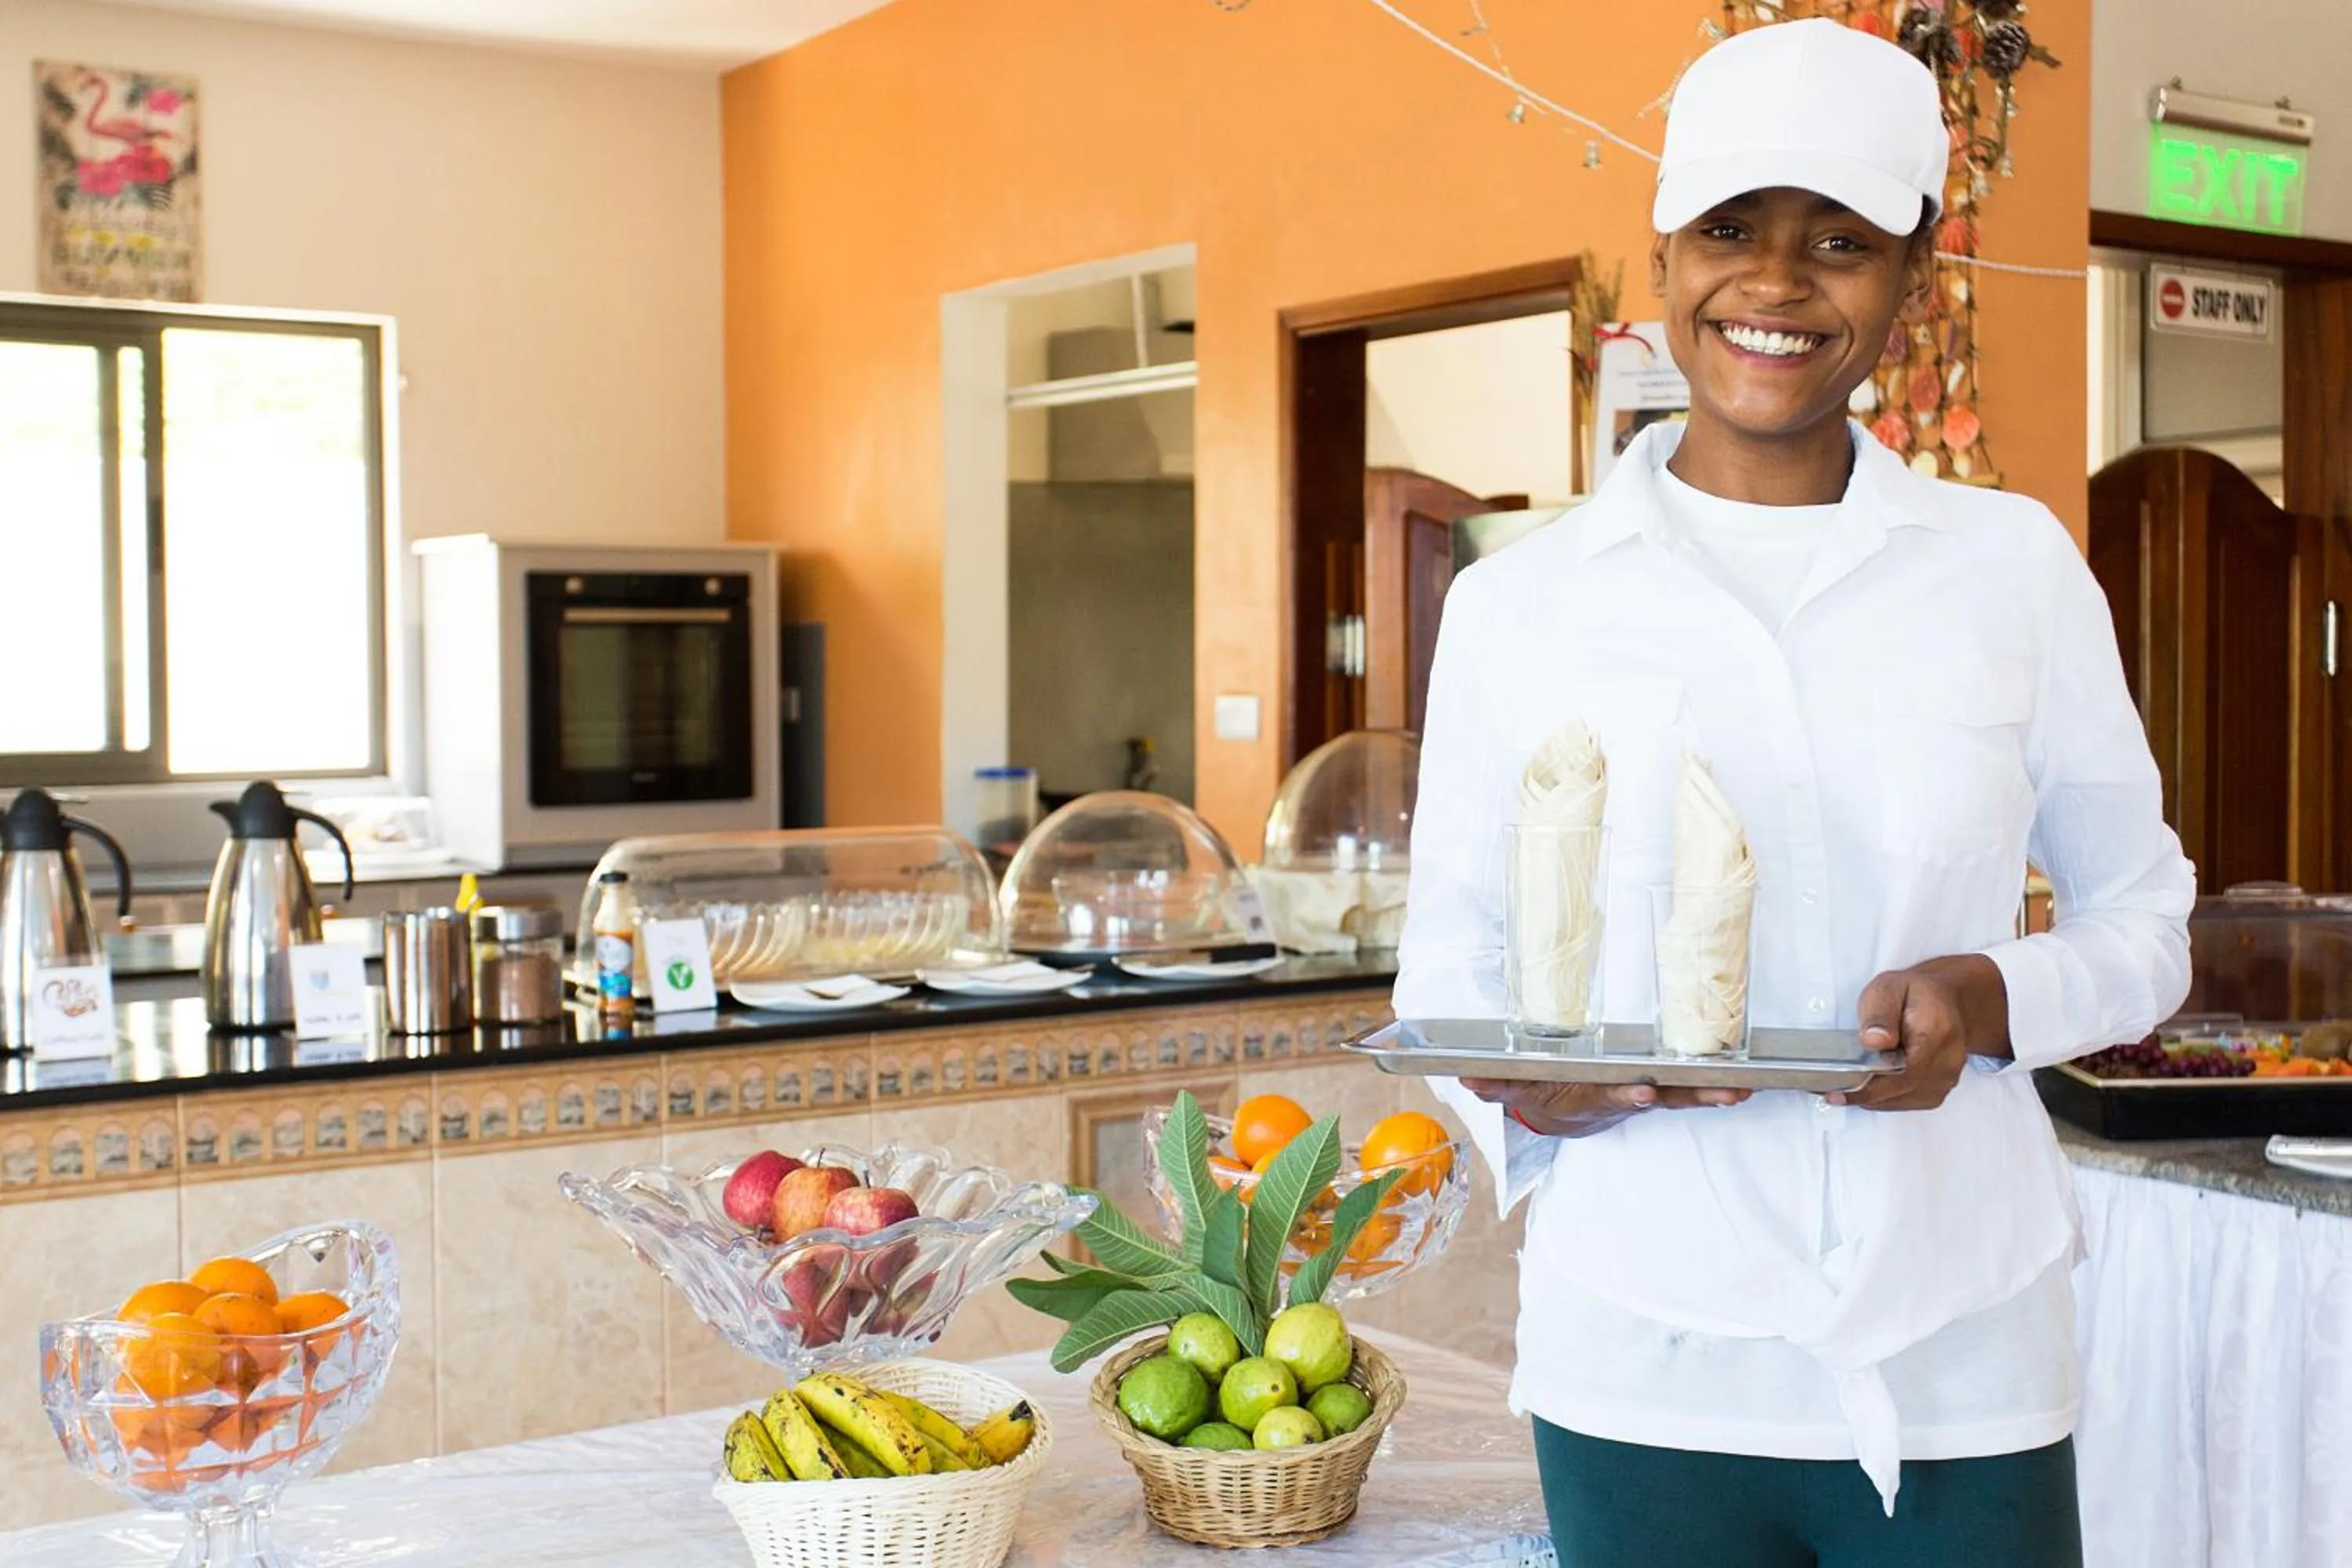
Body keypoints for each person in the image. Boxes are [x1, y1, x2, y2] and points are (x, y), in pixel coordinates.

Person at [1394, 19, 2194, 1567]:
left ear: (1911, 276)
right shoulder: (1525, 603)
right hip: (1645, 1354)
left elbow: (2147, 918)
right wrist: (1531, 1091)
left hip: (1961, 1350)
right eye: (1730, 230)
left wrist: (1992, 989)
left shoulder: (2008, 569)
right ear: (1664, 255)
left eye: (1840, 240)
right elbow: (1449, 967)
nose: (1775, 284)